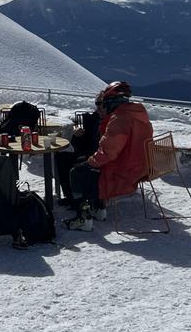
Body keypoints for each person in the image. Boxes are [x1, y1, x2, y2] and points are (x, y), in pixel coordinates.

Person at [65, 81, 153, 232]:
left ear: (112, 102)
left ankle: (83, 218)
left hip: (122, 172)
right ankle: (98, 208)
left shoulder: (119, 119)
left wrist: (90, 162)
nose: (104, 107)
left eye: (104, 103)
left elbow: (108, 152)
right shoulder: (139, 114)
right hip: (139, 167)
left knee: (77, 173)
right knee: (90, 168)